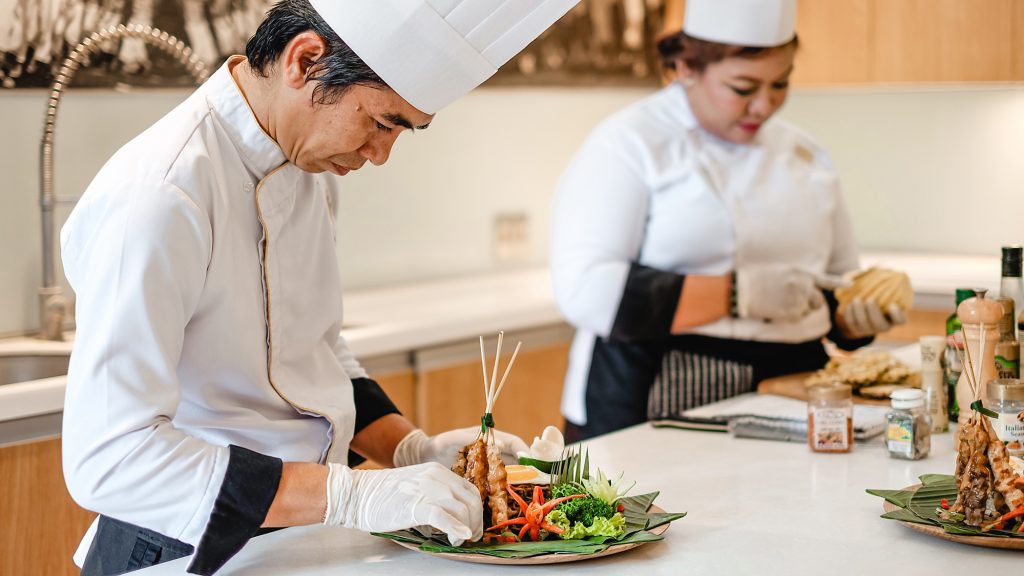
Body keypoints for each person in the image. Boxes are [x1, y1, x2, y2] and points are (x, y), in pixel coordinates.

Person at [59, 1, 578, 574]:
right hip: (182, 547)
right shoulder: (161, 196)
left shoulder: (307, 165)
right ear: (305, 61)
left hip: (295, 530)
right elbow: (110, 457)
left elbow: (317, 349)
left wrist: (411, 448)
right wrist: (349, 495)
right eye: (383, 123)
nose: (380, 155)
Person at [550, 0, 908, 442]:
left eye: (781, 83)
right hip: (660, 389)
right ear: (686, 68)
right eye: (743, 88)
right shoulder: (628, 144)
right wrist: (738, 294)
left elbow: (833, 284)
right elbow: (587, 291)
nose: (764, 105)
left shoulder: (805, 152)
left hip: (794, 391)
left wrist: (855, 320)